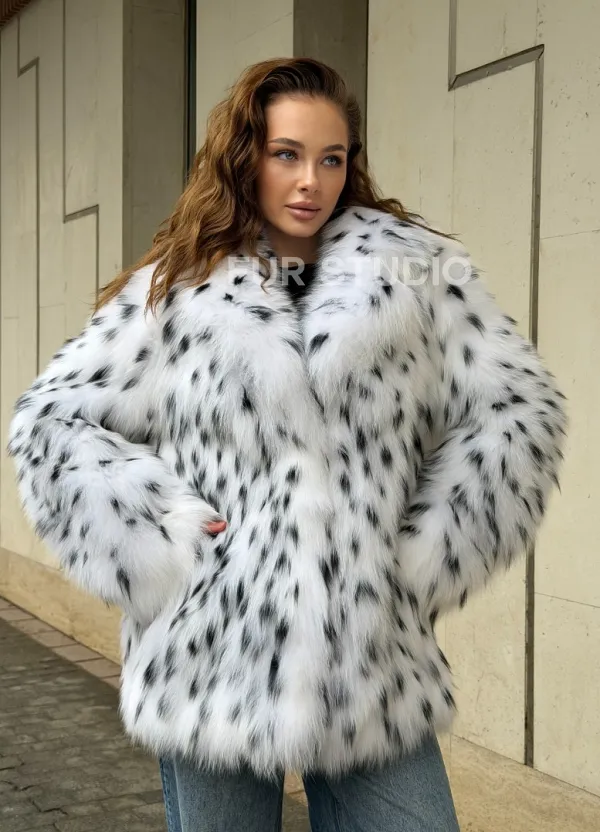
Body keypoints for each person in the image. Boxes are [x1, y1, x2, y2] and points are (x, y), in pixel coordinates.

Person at [7, 57, 567, 832]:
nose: (311, 181)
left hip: (368, 657)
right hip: (210, 649)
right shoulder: (176, 293)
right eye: (287, 155)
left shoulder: (411, 277)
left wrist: (424, 553)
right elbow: (49, 424)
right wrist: (160, 533)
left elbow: (520, 409)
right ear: (246, 157)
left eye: (331, 159)